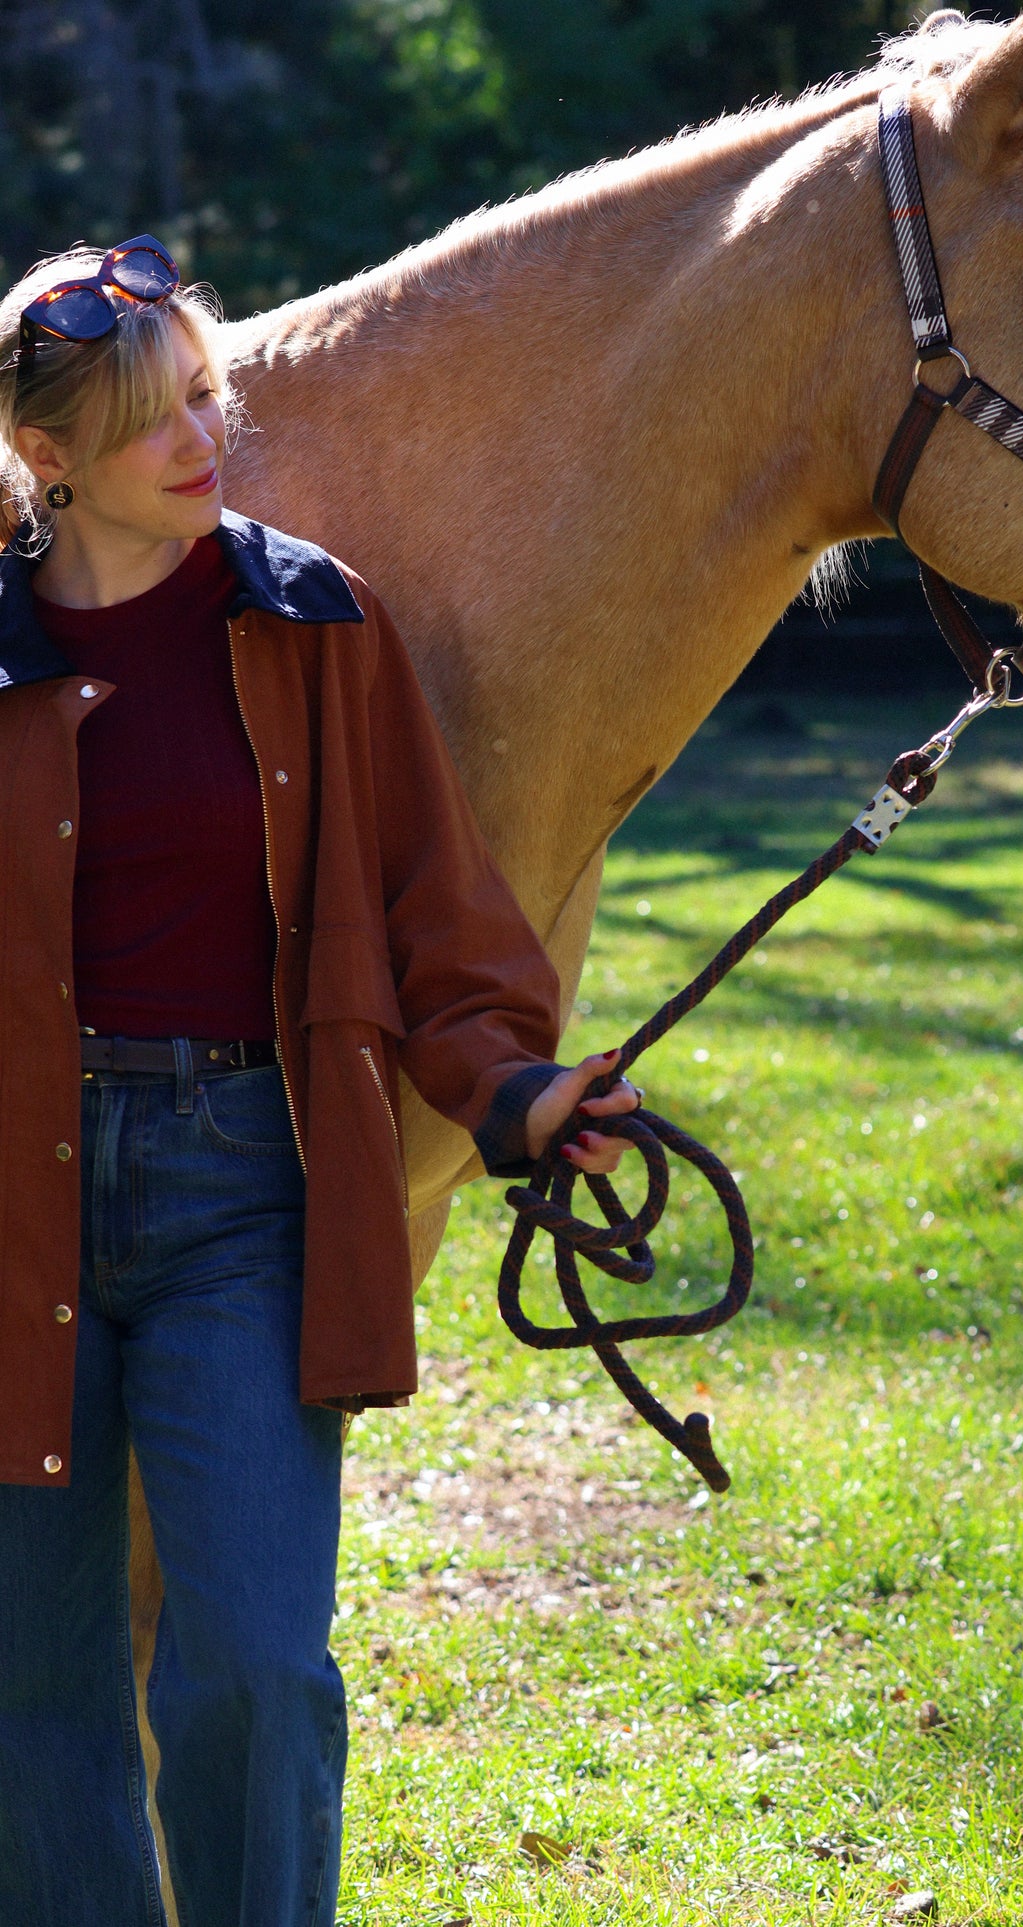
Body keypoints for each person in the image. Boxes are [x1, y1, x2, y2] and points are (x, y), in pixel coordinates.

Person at [0, 236, 639, 1927]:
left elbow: (433, 899)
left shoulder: (310, 617)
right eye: (152, 418)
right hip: (9, 1205)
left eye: (209, 394)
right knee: (29, 1689)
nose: (204, 438)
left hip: (238, 1191)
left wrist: (515, 1091)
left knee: (262, 1665)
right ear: (49, 458)